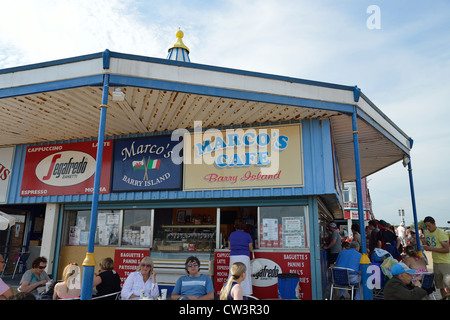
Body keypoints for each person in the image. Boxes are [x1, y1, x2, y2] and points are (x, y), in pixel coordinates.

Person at [422, 216, 450, 298]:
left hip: (445, 262)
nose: (427, 228)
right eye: (426, 226)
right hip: (435, 262)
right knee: (440, 286)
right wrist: (423, 242)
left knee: (448, 286)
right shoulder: (427, 233)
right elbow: (428, 244)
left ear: (434, 224)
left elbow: (447, 249)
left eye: (429, 226)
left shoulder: (441, 233)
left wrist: (431, 248)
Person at [228, 218, 253, 296]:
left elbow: (229, 247)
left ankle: (232, 292)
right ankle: (245, 293)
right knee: (244, 274)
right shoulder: (247, 235)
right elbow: (251, 248)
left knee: (233, 274)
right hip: (244, 257)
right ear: (244, 226)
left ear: (235, 226)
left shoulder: (232, 235)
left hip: (233, 257)